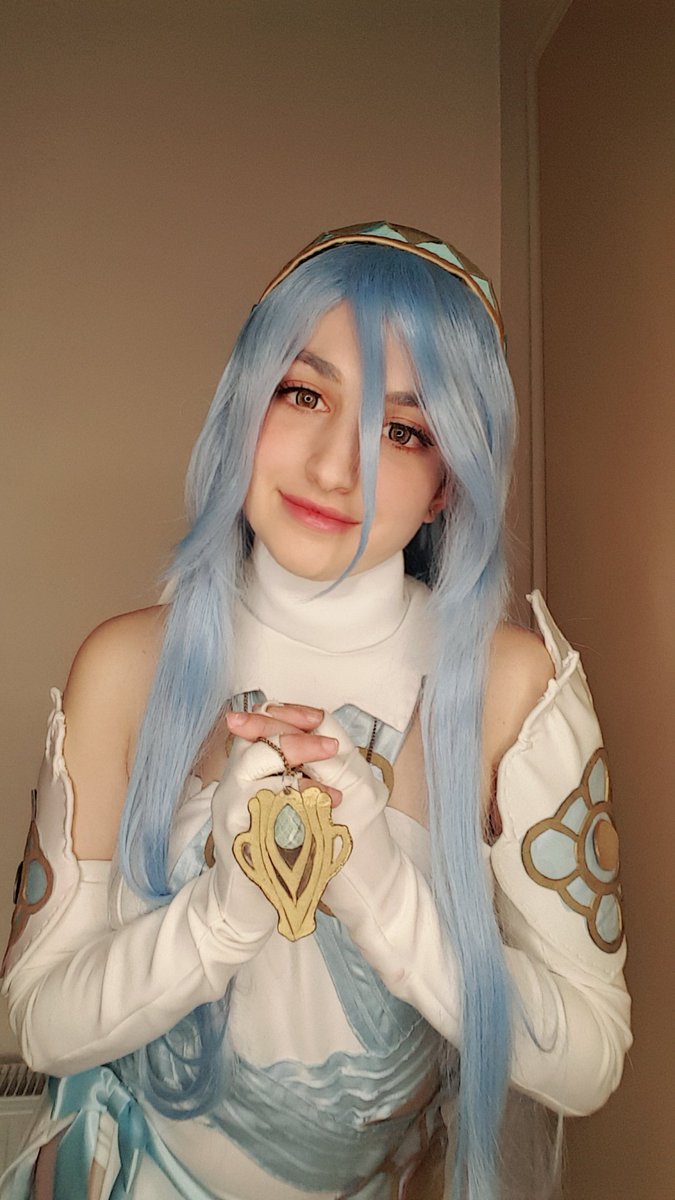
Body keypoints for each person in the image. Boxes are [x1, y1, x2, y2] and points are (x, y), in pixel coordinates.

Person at [0, 222, 631, 1200]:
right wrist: (222, 917)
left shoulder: (514, 689)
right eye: (305, 393)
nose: (340, 468)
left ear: (447, 483)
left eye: (404, 431)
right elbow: (38, 1024)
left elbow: (589, 1061)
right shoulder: (124, 666)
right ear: (243, 404)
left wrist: (383, 897)